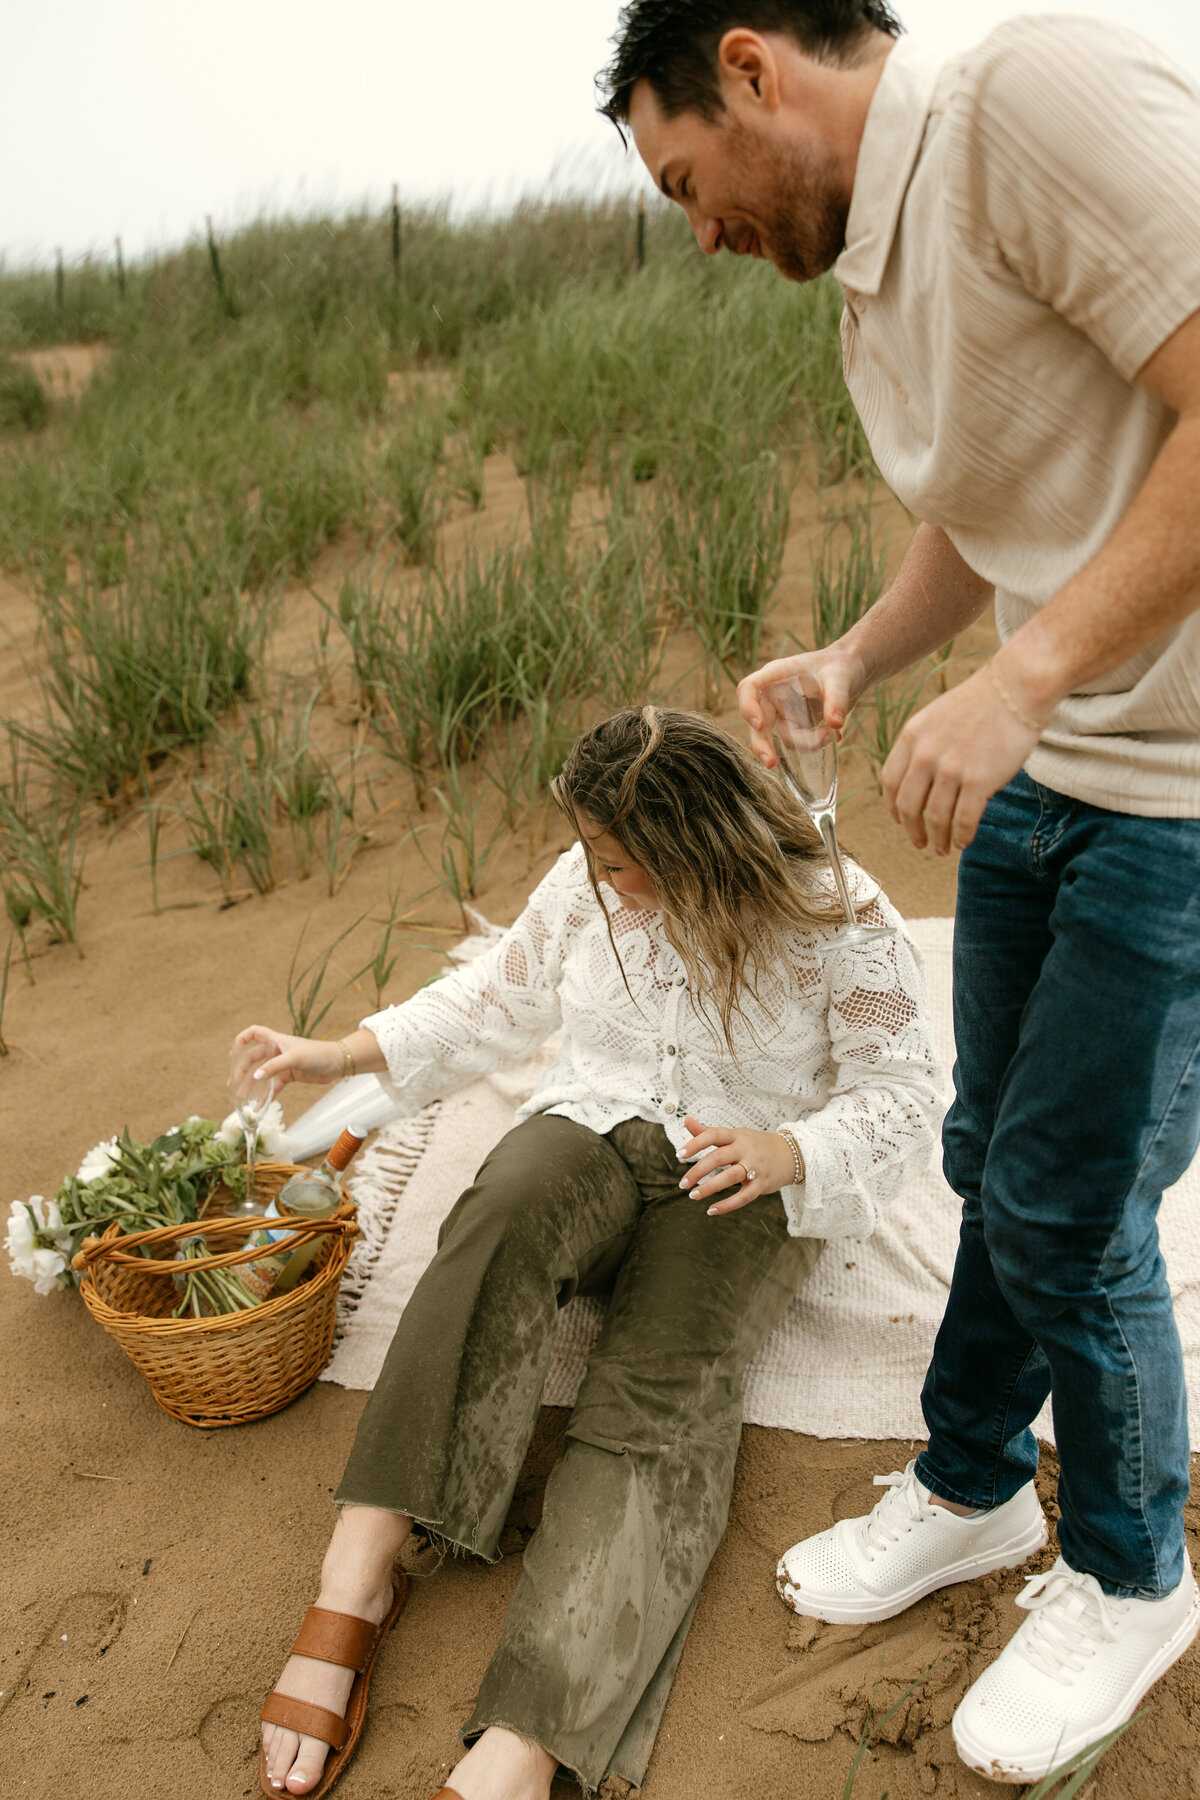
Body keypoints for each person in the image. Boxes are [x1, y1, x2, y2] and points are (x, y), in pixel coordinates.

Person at [598, 0, 1200, 1782]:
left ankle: (1134, 1573)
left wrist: (1026, 678)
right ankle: (973, 1485)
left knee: (1070, 1205)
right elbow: (995, 506)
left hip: (1180, 792)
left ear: (754, 67)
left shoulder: (1026, 99)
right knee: (985, 1156)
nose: (701, 234)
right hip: (1047, 772)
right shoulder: (873, 261)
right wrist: (864, 657)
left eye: (688, 182)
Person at [235, 706, 939, 1800]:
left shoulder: (836, 911)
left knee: (661, 1390)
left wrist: (790, 1150)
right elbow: (496, 995)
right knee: (495, 1221)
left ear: (696, 847)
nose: (600, 879)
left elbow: (903, 1089)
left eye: (619, 862)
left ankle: (530, 1735)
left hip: (742, 1174)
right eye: (596, 857)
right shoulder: (589, 885)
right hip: (599, 1119)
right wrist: (339, 1053)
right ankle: (360, 1571)